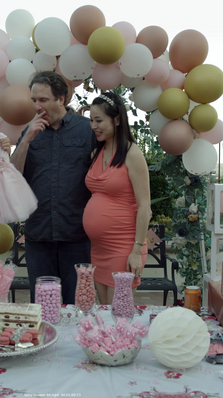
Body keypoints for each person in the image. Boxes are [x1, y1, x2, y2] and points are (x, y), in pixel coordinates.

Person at [10, 71, 96, 304]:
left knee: (76, 303)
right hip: (39, 234)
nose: (37, 106)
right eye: (34, 100)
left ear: (61, 99)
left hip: (77, 234)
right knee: (43, 305)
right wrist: (26, 140)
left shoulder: (87, 130)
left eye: (43, 100)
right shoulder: (29, 133)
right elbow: (13, 176)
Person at [83, 92, 151, 305]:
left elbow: (145, 207)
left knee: (118, 314)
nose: (93, 126)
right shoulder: (97, 153)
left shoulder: (132, 154)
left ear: (118, 119)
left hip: (123, 247)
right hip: (99, 249)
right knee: (104, 311)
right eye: (91, 120)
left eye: (99, 120)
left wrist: (136, 251)